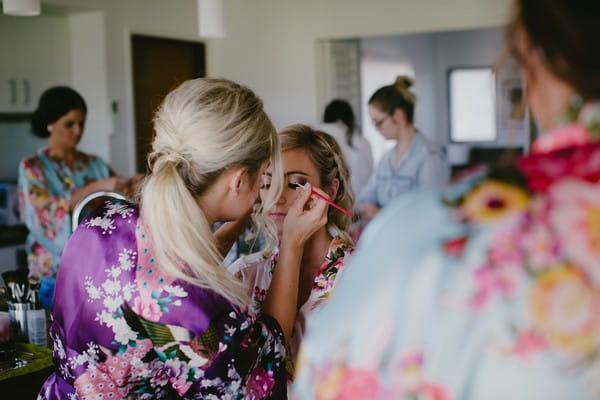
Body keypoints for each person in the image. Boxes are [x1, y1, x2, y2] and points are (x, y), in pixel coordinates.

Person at [292, 0, 600, 398]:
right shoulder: (389, 165)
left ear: (529, 49)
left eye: (380, 121)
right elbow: (368, 195)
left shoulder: (432, 228)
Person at [38, 78, 329, 399]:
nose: (267, 190)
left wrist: (236, 219)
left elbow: (182, 261)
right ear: (238, 180)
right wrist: (292, 244)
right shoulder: (194, 309)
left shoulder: (102, 218)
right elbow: (264, 354)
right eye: (264, 177)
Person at [229, 124, 355, 381]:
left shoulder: (361, 273)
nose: (277, 196)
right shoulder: (244, 275)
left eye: (296, 184)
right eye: (267, 183)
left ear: (330, 190)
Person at [17, 86, 133, 308]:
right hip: (53, 273)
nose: (77, 131)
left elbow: (120, 205)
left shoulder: (94, 163)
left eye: (82, 123)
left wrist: (130, 185)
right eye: (69, 124)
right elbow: (45, 214)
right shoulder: (33, 167)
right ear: (50, 123)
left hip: (97, 269)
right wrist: (95, 187)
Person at [358, 76, 448, 221]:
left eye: (378, 122)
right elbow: (366, 197)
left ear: (398, 115)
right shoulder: (387, 159)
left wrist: (381, 214)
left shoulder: (430, 156)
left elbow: (432, 212)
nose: (377, 129)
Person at [318, 99, 373, 196]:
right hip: (363, 202)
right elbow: (369, 175)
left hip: (335, 200)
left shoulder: (322, 138)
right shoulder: (363, 142)